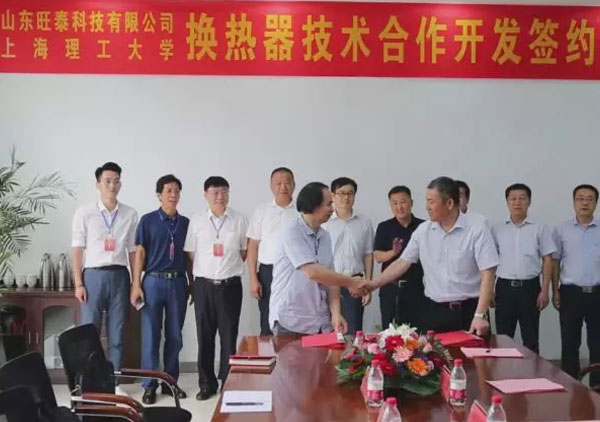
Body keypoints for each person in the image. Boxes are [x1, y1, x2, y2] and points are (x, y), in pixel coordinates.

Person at [361, 177, 498, 335]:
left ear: (449, 203)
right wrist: (372, 285)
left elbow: (488, 272)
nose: (427, 207)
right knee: (435, 350)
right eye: (427, 201)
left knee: (473, 351)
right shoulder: (423, 231)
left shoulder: (476, 229)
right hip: (434, 310)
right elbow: (402, 263)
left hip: (470, 311)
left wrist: (480, 314)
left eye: (431, 202)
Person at [269, 182, 365, 336]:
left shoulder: (325, 236)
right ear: (313, 206)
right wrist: (351, 282)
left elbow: (331, 278)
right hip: (291, 321)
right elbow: (313, 272)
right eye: (328, 204)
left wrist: (336, 314)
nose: (332, 208)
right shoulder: (291, 231)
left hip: (319, 322)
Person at [184, 176, 248, 400]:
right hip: (204, 286)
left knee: (229, 336)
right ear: (206, 195)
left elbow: (244, 252)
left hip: (230, 286)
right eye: (215, 192)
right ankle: (206, 383)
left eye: (224, 191)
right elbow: (191, 253)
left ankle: (227, 382)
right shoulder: (197, 221)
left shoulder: (240, 219)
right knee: (205, 336)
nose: (220, 196)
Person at [72, 162, 138, 375]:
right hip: (93, 276)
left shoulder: (130, 214)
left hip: (120, 276)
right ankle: (90, 382)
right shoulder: (85, 212)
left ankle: (114, 381)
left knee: (117, 333)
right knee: (89, 333)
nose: (112, 186)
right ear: (98, 184)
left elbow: (133, 251)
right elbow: (77, 249)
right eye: (107, 181)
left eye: (116, 181)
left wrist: (136, 283)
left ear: (120, 184)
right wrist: (78, 283)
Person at [130, 174, 190, 403]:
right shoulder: (148, 221)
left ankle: (170, 383)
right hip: (153, 282)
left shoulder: (186, 223)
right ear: (159, 195)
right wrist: (136, 284)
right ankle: (149, 385)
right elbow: (140, 253)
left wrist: (192, 283)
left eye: (177, 191)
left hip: (177, 282)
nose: (173, 195)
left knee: (175, 336)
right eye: (168, 191)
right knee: (151, 335)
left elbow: (189, 256)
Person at [491, 183, 555, 353]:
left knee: (531, 339)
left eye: (522, 199)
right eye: (513, 199)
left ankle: (533, 370)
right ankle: (504, 370)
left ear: (529, 202)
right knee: (503, 338)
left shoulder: (539, 227)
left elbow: (547, 258)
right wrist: (489, 289)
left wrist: (545, 290)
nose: (517, 202)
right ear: (507, 202)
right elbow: (490, 262)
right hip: (504, 288)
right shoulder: (497, 229)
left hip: (530, 288)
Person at [552, 184, 600, 388]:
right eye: (580, 198)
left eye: (590, 199)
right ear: (573, 202)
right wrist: (555, 290)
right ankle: (571, 388)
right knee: (570, 342)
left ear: (596, 203)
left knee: (597, 343)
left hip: (597, 292)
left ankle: (597, 388)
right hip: (570, 293)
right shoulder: (561, 230)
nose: (585, 203)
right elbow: (555, 261)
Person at [247, 167, 297, 335]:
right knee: (267, 318)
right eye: (278, 183)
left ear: (294, 185)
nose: (283, 187)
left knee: (295, 318)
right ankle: (268, 352)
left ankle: (292, 352)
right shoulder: (262, 211)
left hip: (295, 272)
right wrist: (253, 279)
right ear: (271, 186)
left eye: (287, 182)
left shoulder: (301, 211)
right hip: (268, 272)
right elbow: (253, 246)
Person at [322, 177, 374, 334]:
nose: (346, 197)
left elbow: (368, 254)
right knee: (328, 332)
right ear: (332, 195)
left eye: (350, 193)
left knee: (353, 331)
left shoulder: (364, 221)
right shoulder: (324, 222)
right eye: (341, 193)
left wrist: (368, 284)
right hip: (329, 282)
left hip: (354, 283)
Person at [374, 185, 425, 329]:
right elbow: (377, 256)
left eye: (403, 202)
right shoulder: (384, 227)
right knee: (390, 331)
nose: (399, 207)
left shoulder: (424, 226)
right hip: (391, 289)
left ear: (411, 203)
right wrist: (393, 253)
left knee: (417, 332)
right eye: (394, 203)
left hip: (417, 288)